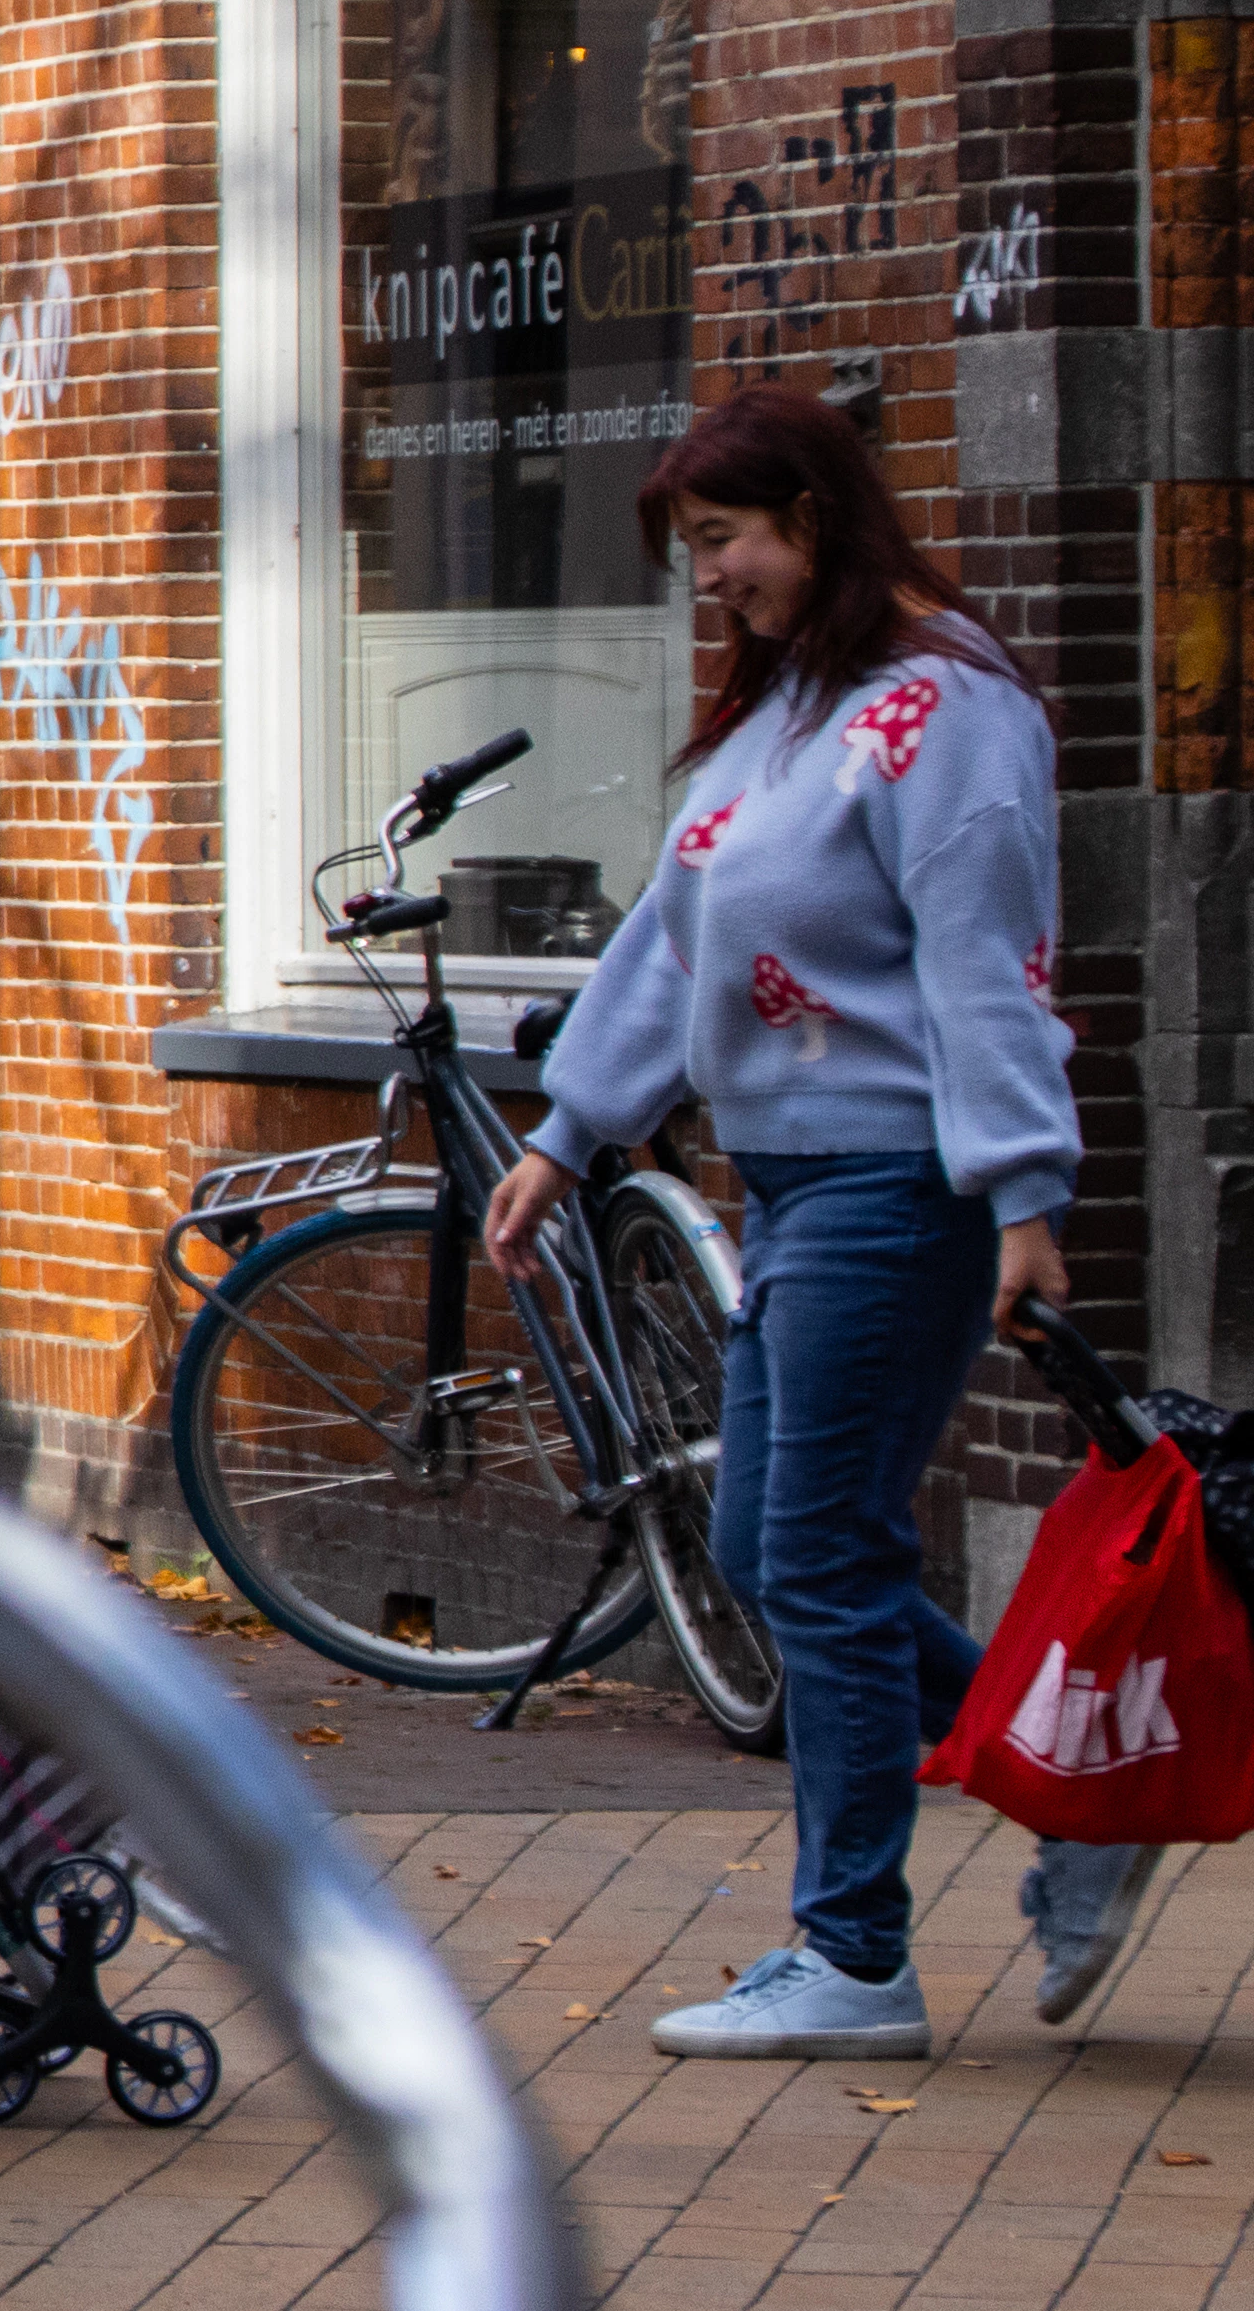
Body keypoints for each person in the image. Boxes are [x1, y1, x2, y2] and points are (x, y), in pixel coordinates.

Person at [490, 382, 1143, 2052]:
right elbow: (669, 934)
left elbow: (984, 963)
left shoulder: (950, 712)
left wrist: (1020, 1194)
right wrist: (568, 1132)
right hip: (789, 1188)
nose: (708, 578)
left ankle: (854, 1953)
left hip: (896, 1185)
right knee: (769, 1548)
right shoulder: (799, 710)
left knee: (822, 1560)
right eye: (693, 551)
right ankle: (1083, 1794)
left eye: (723, 542)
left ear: (817, 518)